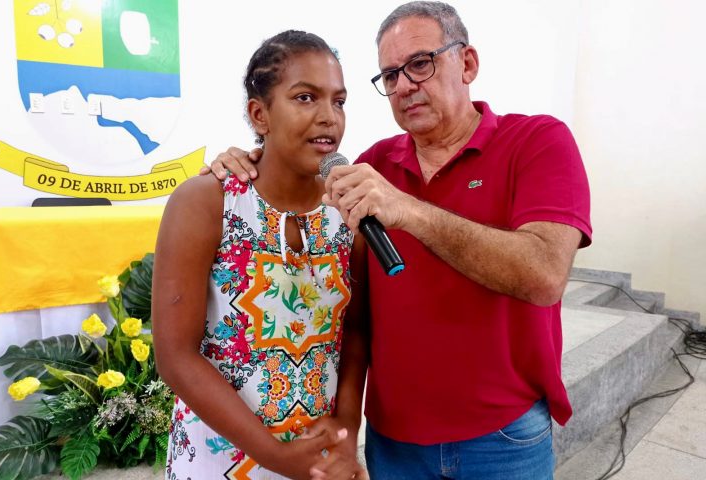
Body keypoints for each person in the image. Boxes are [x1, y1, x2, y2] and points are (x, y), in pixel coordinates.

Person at [208, 2, 592, 479]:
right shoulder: (372, 166)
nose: (405, 84)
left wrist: (409, 211)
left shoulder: (537, 141)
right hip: (395, 443)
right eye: (390, 75)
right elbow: (354, 315)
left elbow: (544, 275)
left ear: (467, 63)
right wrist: (244, 159)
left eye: (420, 64)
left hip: (503, 437)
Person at [152, 30, 366, 480]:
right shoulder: (207, 202)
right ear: (259, 114)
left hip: (318, 459)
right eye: (305, 97)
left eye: (339, 101)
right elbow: (175, 356)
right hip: (218, 459)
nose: (329, 117)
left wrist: (346, 429)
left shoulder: (349, 207)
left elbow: (356, 330)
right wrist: (273, 454)